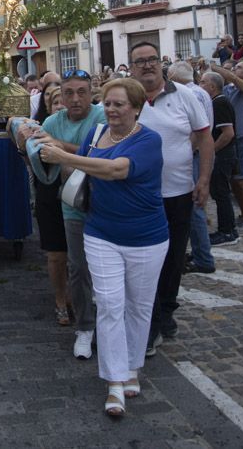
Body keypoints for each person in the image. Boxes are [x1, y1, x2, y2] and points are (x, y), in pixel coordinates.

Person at [39, 78, 167, 416]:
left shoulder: (149, 141)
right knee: (110, 304)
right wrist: (41, 148)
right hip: (100, 232)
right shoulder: (96, 136)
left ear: (136, 109)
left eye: (119, 104)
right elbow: (75, 171)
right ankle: (114, 384)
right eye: (107, 103)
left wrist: (65, 154)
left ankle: (132, 368)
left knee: (138, 307)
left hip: (146, 237)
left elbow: (113, 170)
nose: (110, 109)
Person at [129, 44, 211, 357]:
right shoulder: (128, 98)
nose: (147, 65)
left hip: (177, 193)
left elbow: (204, 138)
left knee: (174, 258)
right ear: (132, 67)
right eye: (140, 61)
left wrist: (203, 180)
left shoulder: (186, 96)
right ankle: (150, 319)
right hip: (138, 196)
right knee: (144, 262)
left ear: (161, 63)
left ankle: (165, 312)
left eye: (152, 59)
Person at [23, 69, 105, 359]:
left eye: (81, 92)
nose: (74, 99)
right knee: (78, 267)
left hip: (106, 203)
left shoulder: (102, 116)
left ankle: (110, 325)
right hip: (71, 201)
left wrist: (61, 148)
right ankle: (84, 327)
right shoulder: (51, 121)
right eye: (68, 93)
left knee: (106, 270)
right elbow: (44, 159)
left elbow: (100, 154)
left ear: (91, 92)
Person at [167, 61, 216, 274]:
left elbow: (198, 131)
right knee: (195, 207)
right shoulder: (200, 92)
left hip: (192, 155)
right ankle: (196, 254)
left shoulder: (188, 94)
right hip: (194, 153)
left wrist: (187, 150)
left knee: (193, 207)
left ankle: (203, 257)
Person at [30, 84, 71, 325]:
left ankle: (76, 295)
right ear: (48, 106)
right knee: (56, 253)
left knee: (77, 254)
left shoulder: (83, 126)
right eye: (54, 101)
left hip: (77, 195)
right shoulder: (41, 128)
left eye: (62, 100)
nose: (60, 105)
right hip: (50, 194)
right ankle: (60, 299)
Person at [211, 59, 243, 235]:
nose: (234, 69)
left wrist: (216, 68)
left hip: (240, 136)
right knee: (234, 179)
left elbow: (232, 78)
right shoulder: (228, 89)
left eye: (239, 67)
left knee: (242, 177)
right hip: (231, 137)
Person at [197, 71, 237, 257]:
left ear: (213, 86)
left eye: (203, 82)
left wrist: (210, 151)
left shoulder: (219, 103)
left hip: (223, 156)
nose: (200, 84)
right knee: (219, 193)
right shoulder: (216, 102)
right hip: (221, 155)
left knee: (221, 193)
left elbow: (227, 133)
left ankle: (228, 231)